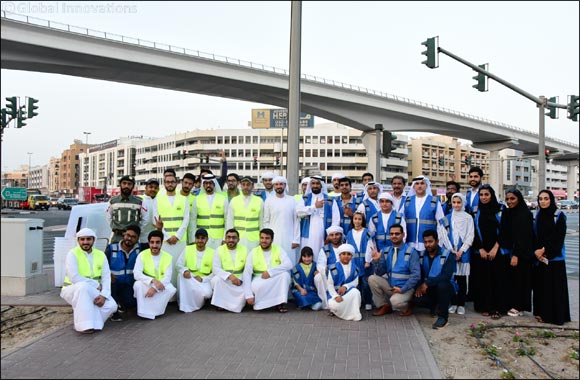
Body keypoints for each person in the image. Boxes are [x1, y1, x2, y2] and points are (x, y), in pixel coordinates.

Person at [60, 228, 117, 334]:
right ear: (78, 240)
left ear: (93, 240)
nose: (85, 242)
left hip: (92, 290)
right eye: (82, 239)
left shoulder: (101, 254)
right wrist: (96, 285)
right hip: (72, 289)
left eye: (88, 239)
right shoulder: (72, 254)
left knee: (112, 306)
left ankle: (93, 322)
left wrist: (104, 295)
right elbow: (74, 277)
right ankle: (83, 326)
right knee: (83, 287)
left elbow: (106, 277)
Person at [532, 190, 571, 325]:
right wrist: (536, 251)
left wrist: (544, 250)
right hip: (540, 258)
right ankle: (541, 313)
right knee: (542, 287)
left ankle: (555, 316)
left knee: (554, 289)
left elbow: (558, 236)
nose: (543, 201)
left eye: (546, 198)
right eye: (540, 199)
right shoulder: (538, 215)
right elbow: (536, 235)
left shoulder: (558, 215)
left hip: (555, 258)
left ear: (551, 200)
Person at [472, 184, 508, 319]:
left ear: (492, 195)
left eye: (486, 194)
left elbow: (505, 230)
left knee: (497, 279)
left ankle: (497, 307)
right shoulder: (477, 211)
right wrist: (480, 248)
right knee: (483, 280)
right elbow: (474, 231)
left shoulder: (500, 209)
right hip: (481, 251)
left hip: (497, 251)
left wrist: (495, 248)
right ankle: (484, 306)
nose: (483, 197)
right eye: (481, 195)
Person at [368, 224, 420, 317]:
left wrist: (402, 289)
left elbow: (416, 275)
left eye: (397, 234)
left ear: (403, 235)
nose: (394, 236)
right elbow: (380, 272)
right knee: (372, 278)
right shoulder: (386, 251)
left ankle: (408, 306)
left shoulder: (411, 252)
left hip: (405, 288)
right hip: (392, 286)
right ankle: (384, 306)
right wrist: (376, 261)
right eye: (391, 234)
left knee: (395, 302)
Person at [500, 188, 534, 317]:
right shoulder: (508, 213)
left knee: (521, 280)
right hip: (508, 252)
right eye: (507, 199)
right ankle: (512, 303)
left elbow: (524, 237)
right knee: (511, 280)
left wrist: (516, 254)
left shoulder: (525, 214)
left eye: (512, 198)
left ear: (519, 199)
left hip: (522, 253)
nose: (509, 201)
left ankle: (519, 307)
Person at [438, 193, 474, 316]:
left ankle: (461, 304)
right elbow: (443, 236)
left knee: (462, 280)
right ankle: (453, 303)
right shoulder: (446, 218)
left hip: (463, 253)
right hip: (450, 253)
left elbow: (470, 235)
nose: (456, 205)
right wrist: (452, 251)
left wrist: (461, 251)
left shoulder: (468, 218)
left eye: (459, 202)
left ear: (463, 203)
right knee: (451, 279)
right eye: (454, 202)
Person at [413, 229, 457, 330]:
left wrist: (427, 283)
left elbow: (446, 276)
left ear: (437, 241)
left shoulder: (447, 254)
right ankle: (434, 306)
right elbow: (419, 274)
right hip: (430, 288)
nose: (427, 245)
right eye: (425, 242)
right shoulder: (422, 255)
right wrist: (419, 286)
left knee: (442, 285)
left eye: (430, 242)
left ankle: (443, 318)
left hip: (446, 288)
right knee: (416, 299)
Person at [153, 171, 189, 287]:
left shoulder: (183, 199)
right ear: (164, 184)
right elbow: (156, 221)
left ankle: (179, 295)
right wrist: (167, 237)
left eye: (172, 182)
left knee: (179, 267)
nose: (170, 184)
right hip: (164, 241)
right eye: (167, 182)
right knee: (166, 267)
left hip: (180, 240)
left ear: (177, 183)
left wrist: (177, 236)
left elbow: (186, 220)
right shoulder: (158, 200)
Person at [244, 228, 293, 312]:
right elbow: (247, 273)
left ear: (272, 240)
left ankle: (280, 303)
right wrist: (248, 295)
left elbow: (289, 264)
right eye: (262, 238)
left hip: (274, 277)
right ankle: (262, 304)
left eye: (267, 238)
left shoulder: (278, 249)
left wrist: (271, 272)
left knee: (285, 275)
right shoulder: (253, 252)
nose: (264, 240)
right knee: (257, 286)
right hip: (259, 280)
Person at [132, 230, 177, 319]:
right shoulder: (142, 255)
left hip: (160, 285)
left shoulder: (168, 257)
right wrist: (152, 281)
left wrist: (155, 288)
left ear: (161, 243)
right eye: (152, 242)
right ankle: (143, 312)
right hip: (147, 283)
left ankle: (157, 311)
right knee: (138, 284)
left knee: (171, 289)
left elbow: (167, 277)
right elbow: (136, 274)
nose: (154, 245)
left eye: (157, 242)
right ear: (149, 243)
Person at [105, 225, 144, 322]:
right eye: (127, 235)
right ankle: (113, 312)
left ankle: (122, 304)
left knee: (131, 304)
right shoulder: (111, 248)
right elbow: (102, 264)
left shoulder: (140, 249)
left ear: (138, 238)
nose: (129, 238)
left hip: (129, 284)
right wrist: (108, 274)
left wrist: (160, 229)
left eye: (133, 237)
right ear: (124, 234)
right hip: (114, 283)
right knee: (110, 284)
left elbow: (156, 242)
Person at [296, 176, 337, 259]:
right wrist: (314, 206)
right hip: (307, 234)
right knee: (307, 255)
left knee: (322, 255)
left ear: (321, 185)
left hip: (323, 233)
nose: (315, 185)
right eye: (313, 183)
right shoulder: (304, 198)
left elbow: (336, 219)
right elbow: (298, 212)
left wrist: (331, 235)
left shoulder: (330, 200)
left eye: (317, 183)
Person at [262, 176, 301, 264]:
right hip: (274, 238)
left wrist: (296, 240)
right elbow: (266, 221)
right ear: (274, 186)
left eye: (281, 184)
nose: (278, 186)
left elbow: (296, 221)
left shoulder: (292, 200)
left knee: (289, 261)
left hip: (289, 238)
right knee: (274, 261)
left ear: (285, 185)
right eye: (276, 184)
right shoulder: (269, 201)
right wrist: (268, 238)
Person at [176, 228, 215, 313]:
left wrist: (203, 279)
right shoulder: (187, 249)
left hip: (204, 280)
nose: (200, 240)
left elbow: (215, 272)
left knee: (207, 294)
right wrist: (184, 271)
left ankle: (198, 303)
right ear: (195, 238)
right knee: (180, 275)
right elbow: (178, 265)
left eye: (202, 238)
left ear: (207, 239)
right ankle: (185, 305)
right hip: (190, 278)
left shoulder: (213, 252)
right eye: (198, 238)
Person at [210, 229, 249, 313]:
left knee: (246, 286)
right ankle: (221, 304)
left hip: (239, 280)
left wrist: (240, 279)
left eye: (234, 237)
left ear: (238, 239)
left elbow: (247, 269)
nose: (231, 240)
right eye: (229, 237)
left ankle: (233, 305)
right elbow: (215, 268)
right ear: (225, 239)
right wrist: (229, 276)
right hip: (225, 280)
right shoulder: (219, 250)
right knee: (216, 280)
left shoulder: (244, 250)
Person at [403, 175, 445, 252]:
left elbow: (441, 223)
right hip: (410, 243)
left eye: (422, 183)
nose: (419, 186)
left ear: (426, 186)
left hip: (428, 244)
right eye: (417, 184)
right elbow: (401, 222)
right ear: (414, 186)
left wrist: (439, 242)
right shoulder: (407, 202)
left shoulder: (434, 201)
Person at [345, 211, 374, 310]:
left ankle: (368, 302)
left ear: (363, 221)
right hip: (353, 262)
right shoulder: (349, 233)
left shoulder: (367, 232)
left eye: (359, 219)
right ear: (352, 220)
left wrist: (367, 261)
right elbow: (347, 247)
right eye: (355, 219)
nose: (357, 221)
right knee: (354, 282)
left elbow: (370, 246)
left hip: (364, 262)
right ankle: (357, 303)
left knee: (365, 283)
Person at [191, 174, 228, 250]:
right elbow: (192, 221)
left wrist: (225, 238)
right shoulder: (197, 199)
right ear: (203, 185)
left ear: (214, 184)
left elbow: (227, 220)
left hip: (219, 238)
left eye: (210, 183)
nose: (208, 185)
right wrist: (193, 238)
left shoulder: (223, 199)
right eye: (206, 183)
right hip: (202, 238)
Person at [226, 176, 263, 252]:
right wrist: (229, 238)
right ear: (240, 185)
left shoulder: (259, 201)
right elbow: (229, 221)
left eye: (248, 185)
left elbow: (262, 222)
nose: (245, 187)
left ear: (252, 186)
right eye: (243, 184)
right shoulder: (234, 201)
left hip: (254, 239)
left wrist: (261, 239)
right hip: (238, 238)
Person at [327, 244, 362, 321]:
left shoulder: (355, 268)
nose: (346, 256)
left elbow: (356, 282)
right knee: (333, 305)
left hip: (347, 294)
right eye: (343, 254)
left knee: (356, 292)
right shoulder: (333, 268)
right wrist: (336, 296)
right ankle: (339, 310)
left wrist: (346, 286)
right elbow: (329, 285)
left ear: (352, 256)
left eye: (349, 254)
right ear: (339, 255)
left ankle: (355, 314)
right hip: (335, 294)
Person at [106, 175, 145, 244]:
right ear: (120, 185)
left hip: (133, 238)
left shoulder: (140, 201)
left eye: (129, 184)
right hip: (116, 237)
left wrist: (136, 231)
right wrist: (115, 228)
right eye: (124, 183)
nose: (126, 186)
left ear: (133, 186)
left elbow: (144, 219)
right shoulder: (112, 201)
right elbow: (109, 217)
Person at [314, 225, 345, 310]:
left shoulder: (346, 248)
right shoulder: (325, 249)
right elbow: (320, 264)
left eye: (337, 234)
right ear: (328, 237)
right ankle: (326, 303)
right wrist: (325, 269)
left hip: (344, 275)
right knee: (318, 277)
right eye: (332, 235)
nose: (334, 237)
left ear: (341, 235)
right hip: (329, 275)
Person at [139, 178, 160, 247]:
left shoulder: (160, 201)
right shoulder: (140, 200)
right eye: (151, 187)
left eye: (155, 188)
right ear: (146, 188)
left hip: (156, 240)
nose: (153, 189)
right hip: (141, 239)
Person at [179, 172, 197, 244]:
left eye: (190, 184)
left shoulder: (195, 199)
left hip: (190, 235)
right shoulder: (175, 196)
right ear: (182, 182)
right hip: (176, 235)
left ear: (193, 185)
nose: (187, 185)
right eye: (185, 183)